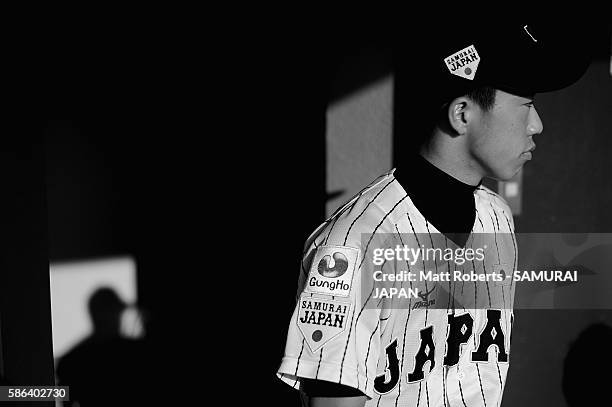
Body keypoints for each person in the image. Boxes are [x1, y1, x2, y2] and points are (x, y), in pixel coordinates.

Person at [276, 21, 591, 406]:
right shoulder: (351, 244)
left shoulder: (496, 218)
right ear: (462, 113)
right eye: (525, 104)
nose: (536, 125)